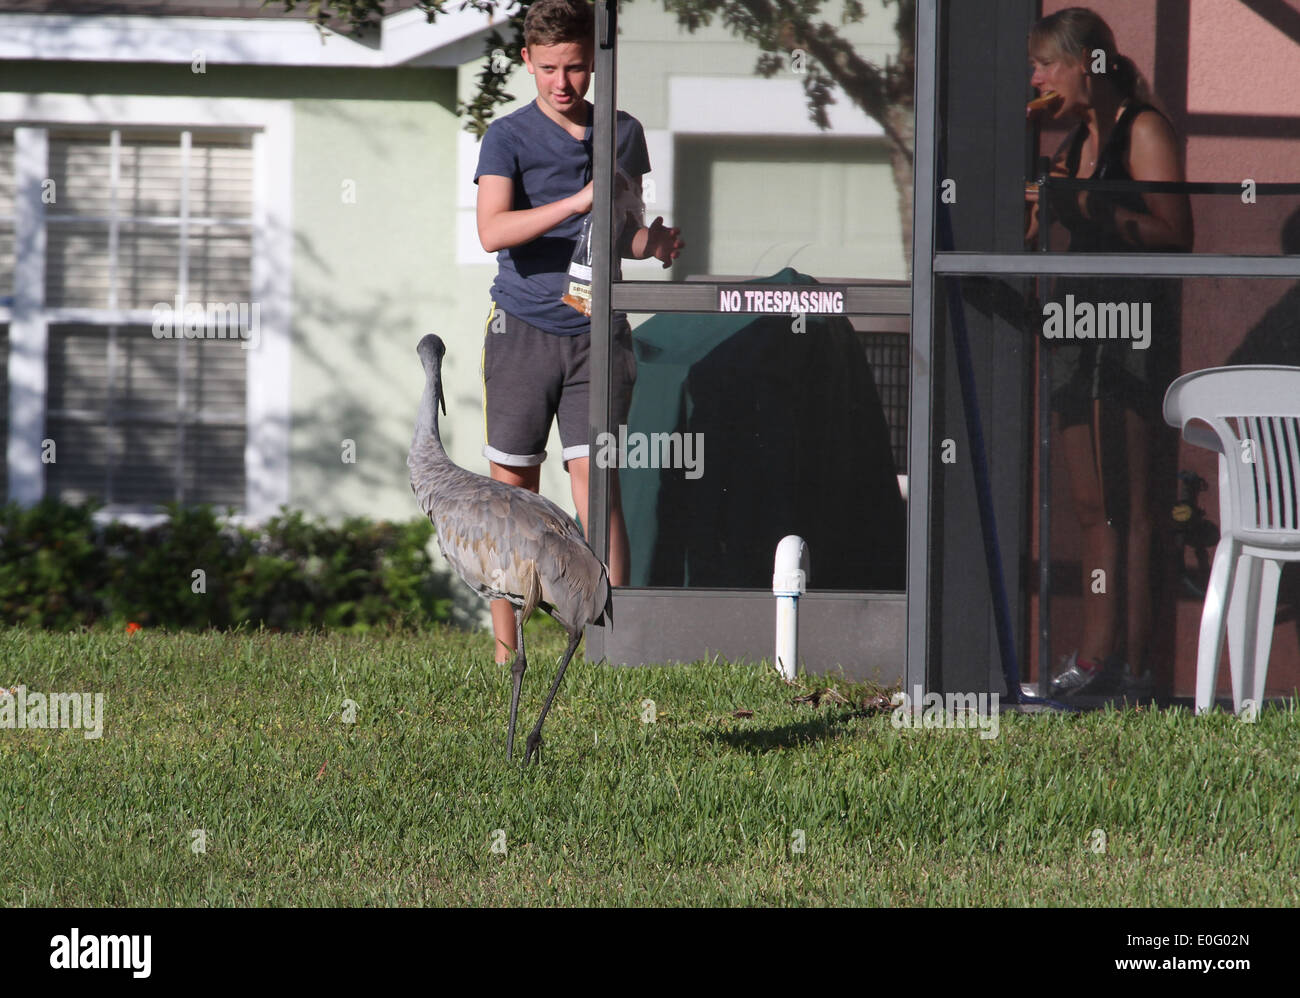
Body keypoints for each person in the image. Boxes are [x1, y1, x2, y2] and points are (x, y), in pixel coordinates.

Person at [474, 0, 684, 664]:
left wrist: (654, 244)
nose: (563, 83)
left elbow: (621, 227)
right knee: (512, 496)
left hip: (599, 333)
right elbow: (491, 231)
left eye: (576, 67)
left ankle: (609, 648)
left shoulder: (623, 133)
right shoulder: (506, 137)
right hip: (522, 329)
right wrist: (570, 203)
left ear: (596, 62)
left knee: (598, 483)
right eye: (548, 69)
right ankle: (508, 651)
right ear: (526, 64)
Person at [1024, 7, 1193, 695]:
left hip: (1130, 330)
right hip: (1075, 328)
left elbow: (1175, 230)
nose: (1035, 77)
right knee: (1092, 504)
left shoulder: (1141, 129)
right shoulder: (1067, 145)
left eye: (1046, 64)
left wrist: (1094, 207)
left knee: (1133, 504)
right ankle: (1092, 662)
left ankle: (1134, 664)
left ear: (1086, 65)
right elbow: (1027, 227)